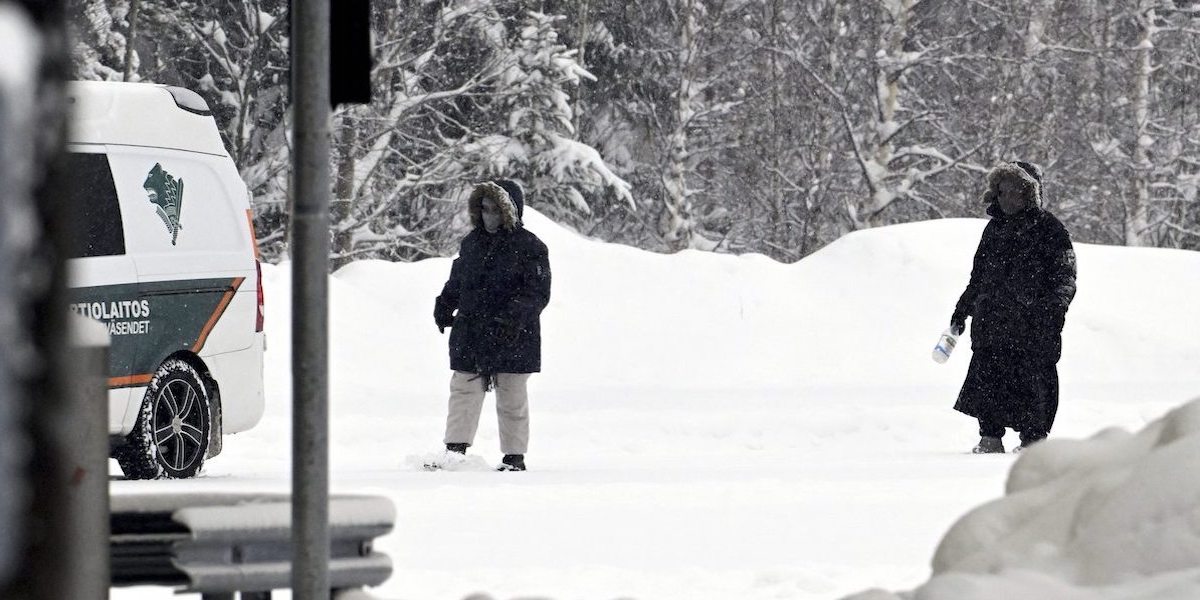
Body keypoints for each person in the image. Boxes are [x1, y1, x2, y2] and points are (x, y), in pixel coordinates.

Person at [950, 161, 1076, 454]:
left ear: (1030, 193)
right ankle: (989, 438)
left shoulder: (1050, 229)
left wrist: (1053, 311)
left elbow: (1065, 276)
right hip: (992, 324)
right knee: (988, 380)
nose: (1008, 198)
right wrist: (962, 310)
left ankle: (1033, 443)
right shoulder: (993, 231)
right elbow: (978, 278)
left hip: (1034, 327)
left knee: (1035, 384)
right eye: (1002, 191)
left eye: (1015, 191)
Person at [433, 179, 551, 471]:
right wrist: (445, 303)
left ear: (509, 211)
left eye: (495, 209)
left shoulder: (531, 247)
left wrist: (511, 320)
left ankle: (514, 457)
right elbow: (458, 280)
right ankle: (454, 451)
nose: (488, 215)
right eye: (483, 209)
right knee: (463, 389)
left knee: (511, 396)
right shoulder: (471, 243)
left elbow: (537, 292)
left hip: (513, 335)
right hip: (471, 331)